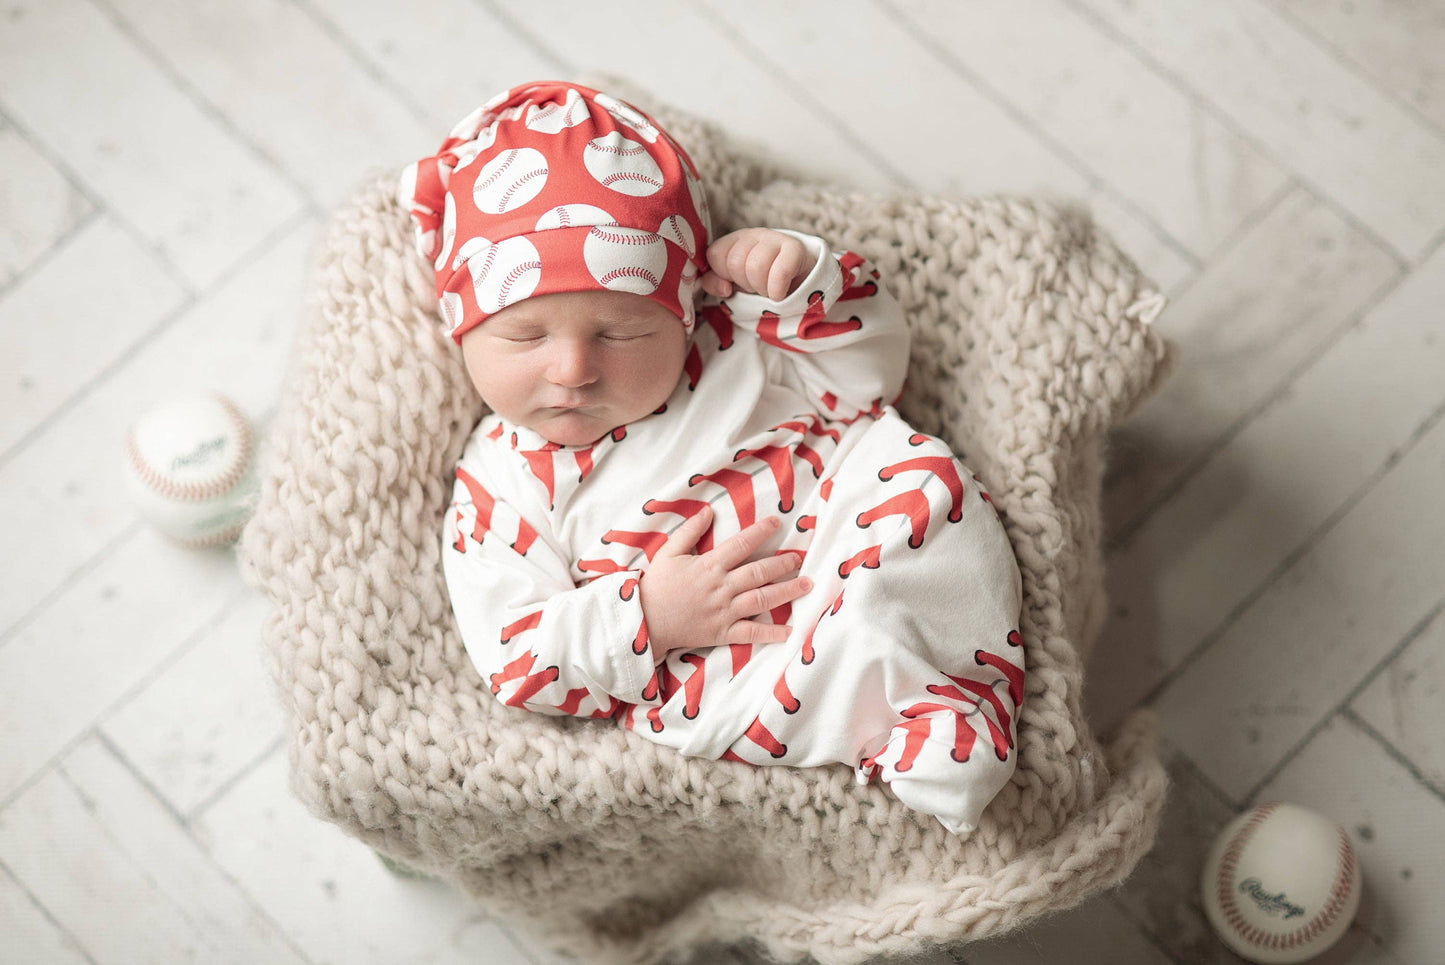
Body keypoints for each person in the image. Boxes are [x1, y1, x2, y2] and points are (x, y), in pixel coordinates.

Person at [400, 81, 1024, 833]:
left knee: (928, 483)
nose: (572, 369)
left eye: (621, 332)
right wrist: (652, 616)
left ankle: (956, 700)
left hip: (849, 518)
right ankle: (908, 736)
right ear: (460, 334)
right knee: (827, 664)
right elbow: (516, 656)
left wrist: (801, 289)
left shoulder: (735, 339)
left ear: (685, 309)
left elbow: (869, 378)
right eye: (524, 337)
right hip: (735, 650)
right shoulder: (500, 483)